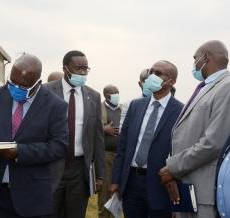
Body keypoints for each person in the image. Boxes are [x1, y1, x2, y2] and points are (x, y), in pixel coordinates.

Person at [0, 54, 68, 218]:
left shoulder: (56, 106)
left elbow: (59, 147)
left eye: (23, 87)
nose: (15, 89)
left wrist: (19, 152)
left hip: (32, 198)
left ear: (37, 84)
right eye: (12, 82)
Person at [159, 40, 230, 218]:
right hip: (189, 186)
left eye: (195, 59)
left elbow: (214, 143)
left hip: (205, 191)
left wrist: (173, 167)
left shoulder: (226, 87)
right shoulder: (206, 88)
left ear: (205, 57)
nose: (194, 64)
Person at [111, 60, 183, 218]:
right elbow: (122, 146)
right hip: (131, 182)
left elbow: (182, 151)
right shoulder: (135, 106)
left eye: (158, 73)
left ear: (171, 81)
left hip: (161, 183)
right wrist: (116, 180)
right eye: (151, 72)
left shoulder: (181, 111)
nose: (152, 76)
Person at [45, 50, 105, 218]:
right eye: (78, 68)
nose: (83, 72)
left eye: (86, 68)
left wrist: (100, 174)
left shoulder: (93, 96)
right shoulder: (46, 92)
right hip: (51, 165)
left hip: (79, 169)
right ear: (65, 69)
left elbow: (98, 137)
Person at [97, 85, 122, 218]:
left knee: (117, 191)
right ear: (106, 95)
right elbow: (90, 129)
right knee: (105, 191)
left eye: (117, 92)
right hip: (105, 156)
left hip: (120, 157)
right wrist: (103, 129)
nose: (116, 94)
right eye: (113, 93)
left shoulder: (122, 109)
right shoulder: (99, 109)